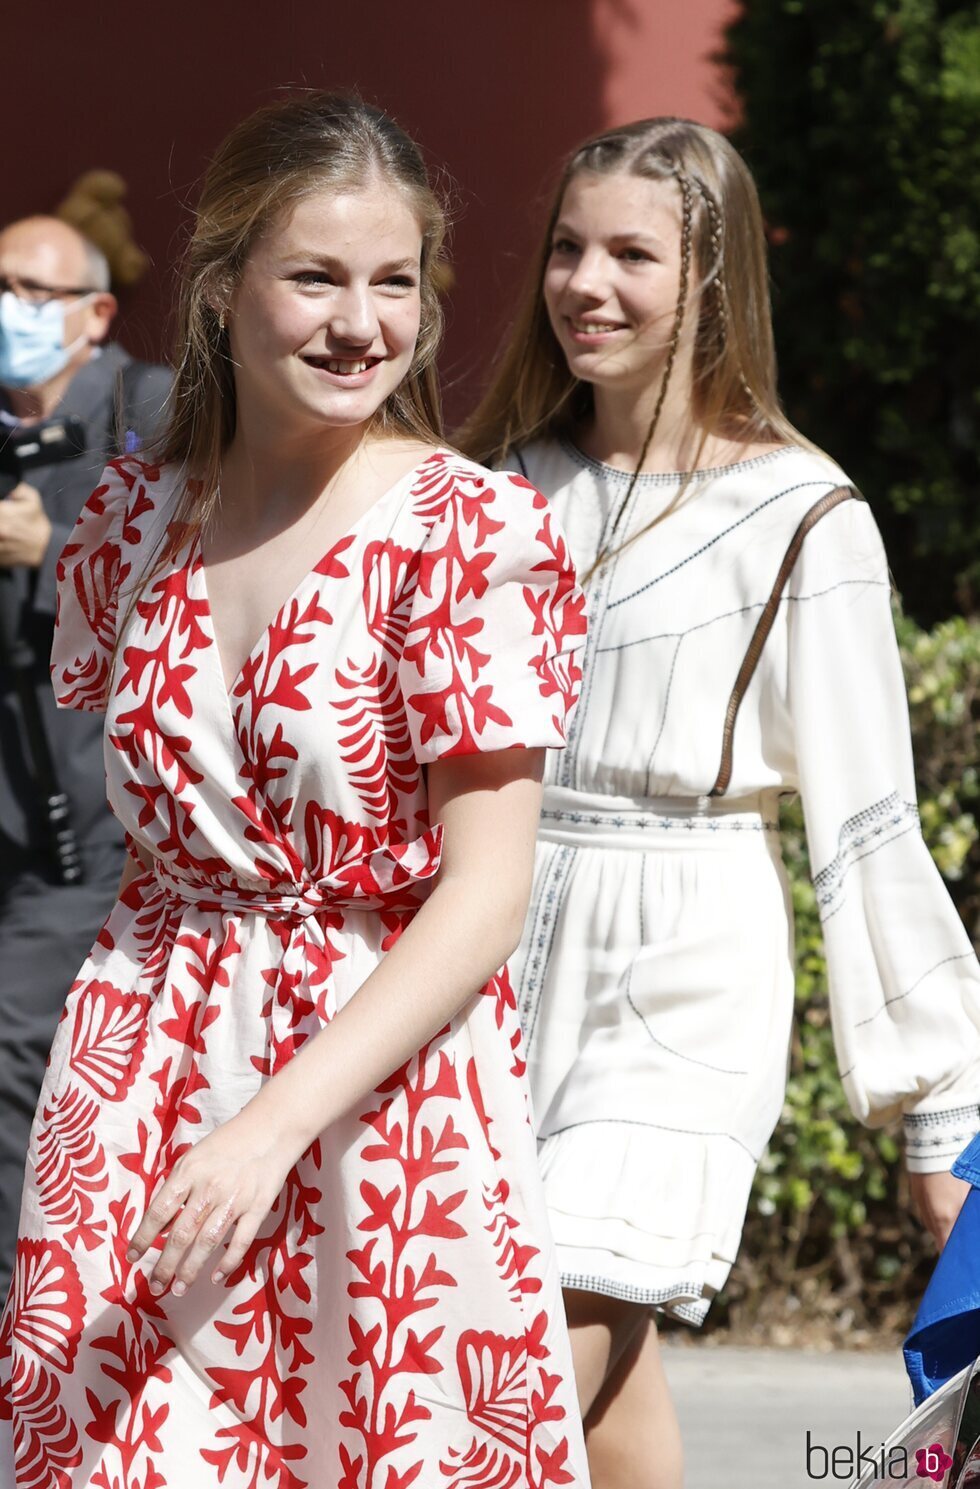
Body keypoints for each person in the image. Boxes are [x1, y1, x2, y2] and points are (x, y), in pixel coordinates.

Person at [0, 94, 591, 1489]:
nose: (361, 323)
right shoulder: (139, 517)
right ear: (220, 290)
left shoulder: (464, 529)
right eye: (316, 276)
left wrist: (269, 1127)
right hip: (138, 1058)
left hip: (376, 1097)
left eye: (396, 283)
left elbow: (488, 891)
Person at [459, 116, 980, 1489]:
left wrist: (943, 1111)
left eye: (632, 252)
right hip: (486, 943)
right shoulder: (497, 485)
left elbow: (869, 823)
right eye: (568, 246)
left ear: (714, 280)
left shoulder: (809, 514)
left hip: (688, 961)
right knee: (601, 1366)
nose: (586, 281)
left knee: (526, 1357)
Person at [0, 215, 170, 1299]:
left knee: (16, 1063)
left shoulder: (147, 417)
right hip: (9, 822)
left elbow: (189, 600)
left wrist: (54, 552)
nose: (10, 310)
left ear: (96, 313)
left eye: (31, 290)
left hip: (96, 835)